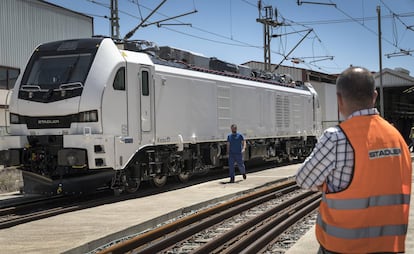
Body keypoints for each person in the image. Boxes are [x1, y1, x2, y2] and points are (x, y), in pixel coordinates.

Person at [296, 66, 412, 254]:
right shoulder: (397, 138)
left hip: (341, 247)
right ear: (374, 96)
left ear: (339, 99)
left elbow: (303, 179)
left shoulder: (336, 137)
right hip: (389, 246)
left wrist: (325, 184)